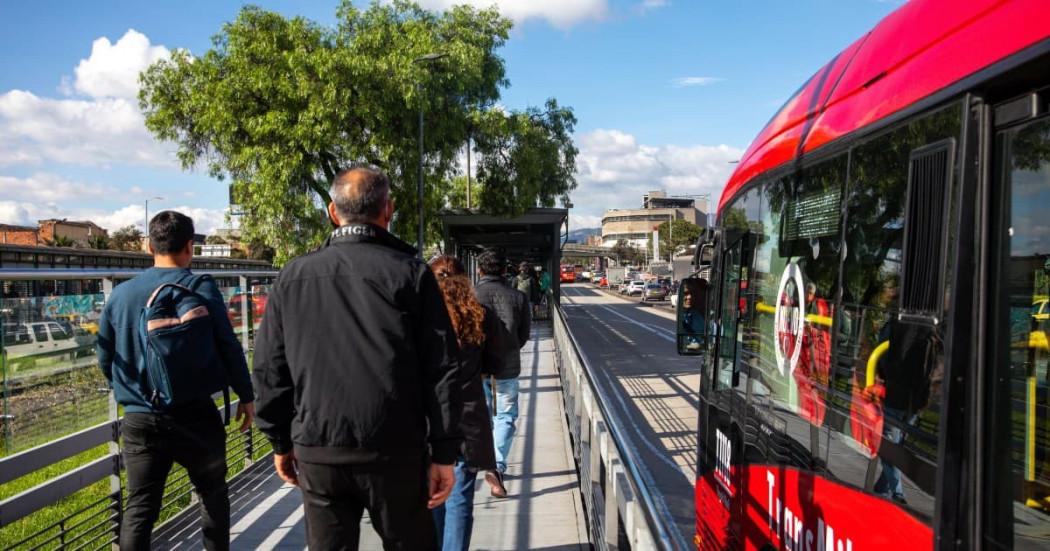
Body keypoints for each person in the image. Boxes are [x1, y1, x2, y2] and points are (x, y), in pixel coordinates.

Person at [252, 167, 462, 550]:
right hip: (397, 448)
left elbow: (269, 368)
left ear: (333, 212)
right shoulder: (411, 274)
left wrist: (280, 441)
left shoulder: (293, 276)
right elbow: (443, 368)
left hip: (319, 447)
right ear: (389, 210)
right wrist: (445, 452)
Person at [96, 210, 255, 551]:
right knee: (213, 496)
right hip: (196, 415)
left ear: (149, 246)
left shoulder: (121, 295)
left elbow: (105, 358)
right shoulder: (199, 286)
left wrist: (133, 391)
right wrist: (246, 395)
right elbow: (228, 344)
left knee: (140, 508)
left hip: (140, 419)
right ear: (189, 247)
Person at [428, 255, 501, 551]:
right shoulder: (479, 314)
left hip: (430, 420)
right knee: (460, 499)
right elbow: (495, 361)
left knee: (432, 497)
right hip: (468, 418)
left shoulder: (421, 318)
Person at [474, 248, 531, 498]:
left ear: (479, 270)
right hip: (507, 366)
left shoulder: (472, 295)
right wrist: (509, 348)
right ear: (506, 271)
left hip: (477, 368)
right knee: (505, 416)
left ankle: (483, 460)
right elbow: (524, 335)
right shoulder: (518, 297)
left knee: (482, 415)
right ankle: (496, 465)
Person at [679, 278, 708, 351]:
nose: (690, 297)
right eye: (685, 294)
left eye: (692, 293)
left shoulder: (699, 317)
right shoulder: (681, 316)